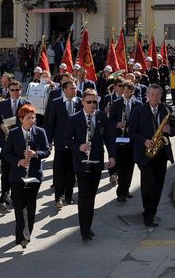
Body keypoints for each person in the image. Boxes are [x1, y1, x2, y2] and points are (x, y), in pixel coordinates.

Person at [64, 89, 116, 241]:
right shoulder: (74, 118)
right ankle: (84, 230)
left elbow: (108, 137)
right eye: (89, 102)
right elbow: (66, 139)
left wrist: (112, 156)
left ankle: (88, 225)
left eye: (95, 102)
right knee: (84, 195)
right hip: (81, 162)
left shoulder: (101, 116)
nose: (92, 105)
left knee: (91, 195)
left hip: (97, 161)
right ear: (82, 103)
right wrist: (78, 146)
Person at [129, 84, 175, 227]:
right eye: (152, 94)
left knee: (158, 185)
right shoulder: (138, 111)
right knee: (147, 185)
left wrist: (169, 130)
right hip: (145, 154)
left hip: (161, 152)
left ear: (161, 95)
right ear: (147, 95)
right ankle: (148, 214)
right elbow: (132, 132)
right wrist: (144, 141)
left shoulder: (167, 110)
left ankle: (152, 211)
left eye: (157, 94)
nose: (155, 97)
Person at [2, 105, 51, 249]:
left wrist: (36, 154)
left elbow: (47, 150)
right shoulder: (13, 133)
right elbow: (6, 153)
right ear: (21, 119)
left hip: (34, 175)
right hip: (17, 176)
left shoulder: (40, 132)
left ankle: (28, 232)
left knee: (30, 206)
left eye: (33, 117)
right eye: (28, 118)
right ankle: (21, 236)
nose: (32, 120)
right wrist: (19, 161)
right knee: (19, 206)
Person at [45, 80, 82, 209]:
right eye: (71, 88)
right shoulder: (56, 103)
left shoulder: (80, 102)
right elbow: (50, 123)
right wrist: (48, 141)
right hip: (60, 143)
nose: (74, 90)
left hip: (75, 144)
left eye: (75, 88)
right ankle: (59, 196)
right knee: (59, 171)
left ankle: (68, 196)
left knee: (72, 171)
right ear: (64, 89)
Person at [0, 80, 31, 211]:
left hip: (21, 143)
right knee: (5, 173)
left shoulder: (26, 104)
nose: (15, 92)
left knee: (20, 172)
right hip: (6, 144)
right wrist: (2, 127)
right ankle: (3, 198)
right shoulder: (3, 104)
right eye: (12, 90)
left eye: (17, 90)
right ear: (8, 91)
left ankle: (18, 197)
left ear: (21, 90)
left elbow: (32, 121)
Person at [108, 81, 142, 203]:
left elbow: (141, 122)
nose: (127, 94)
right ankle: (120, 193)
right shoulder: (116, 103)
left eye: (130, 92)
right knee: (122, 167)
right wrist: (117, 124)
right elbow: (110, 122)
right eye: (125, 92)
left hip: (132, 140)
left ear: (133, 92)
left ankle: (126, 189)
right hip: (120, 139)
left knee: (130, 167)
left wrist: (132, 127)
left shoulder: (138, 103)